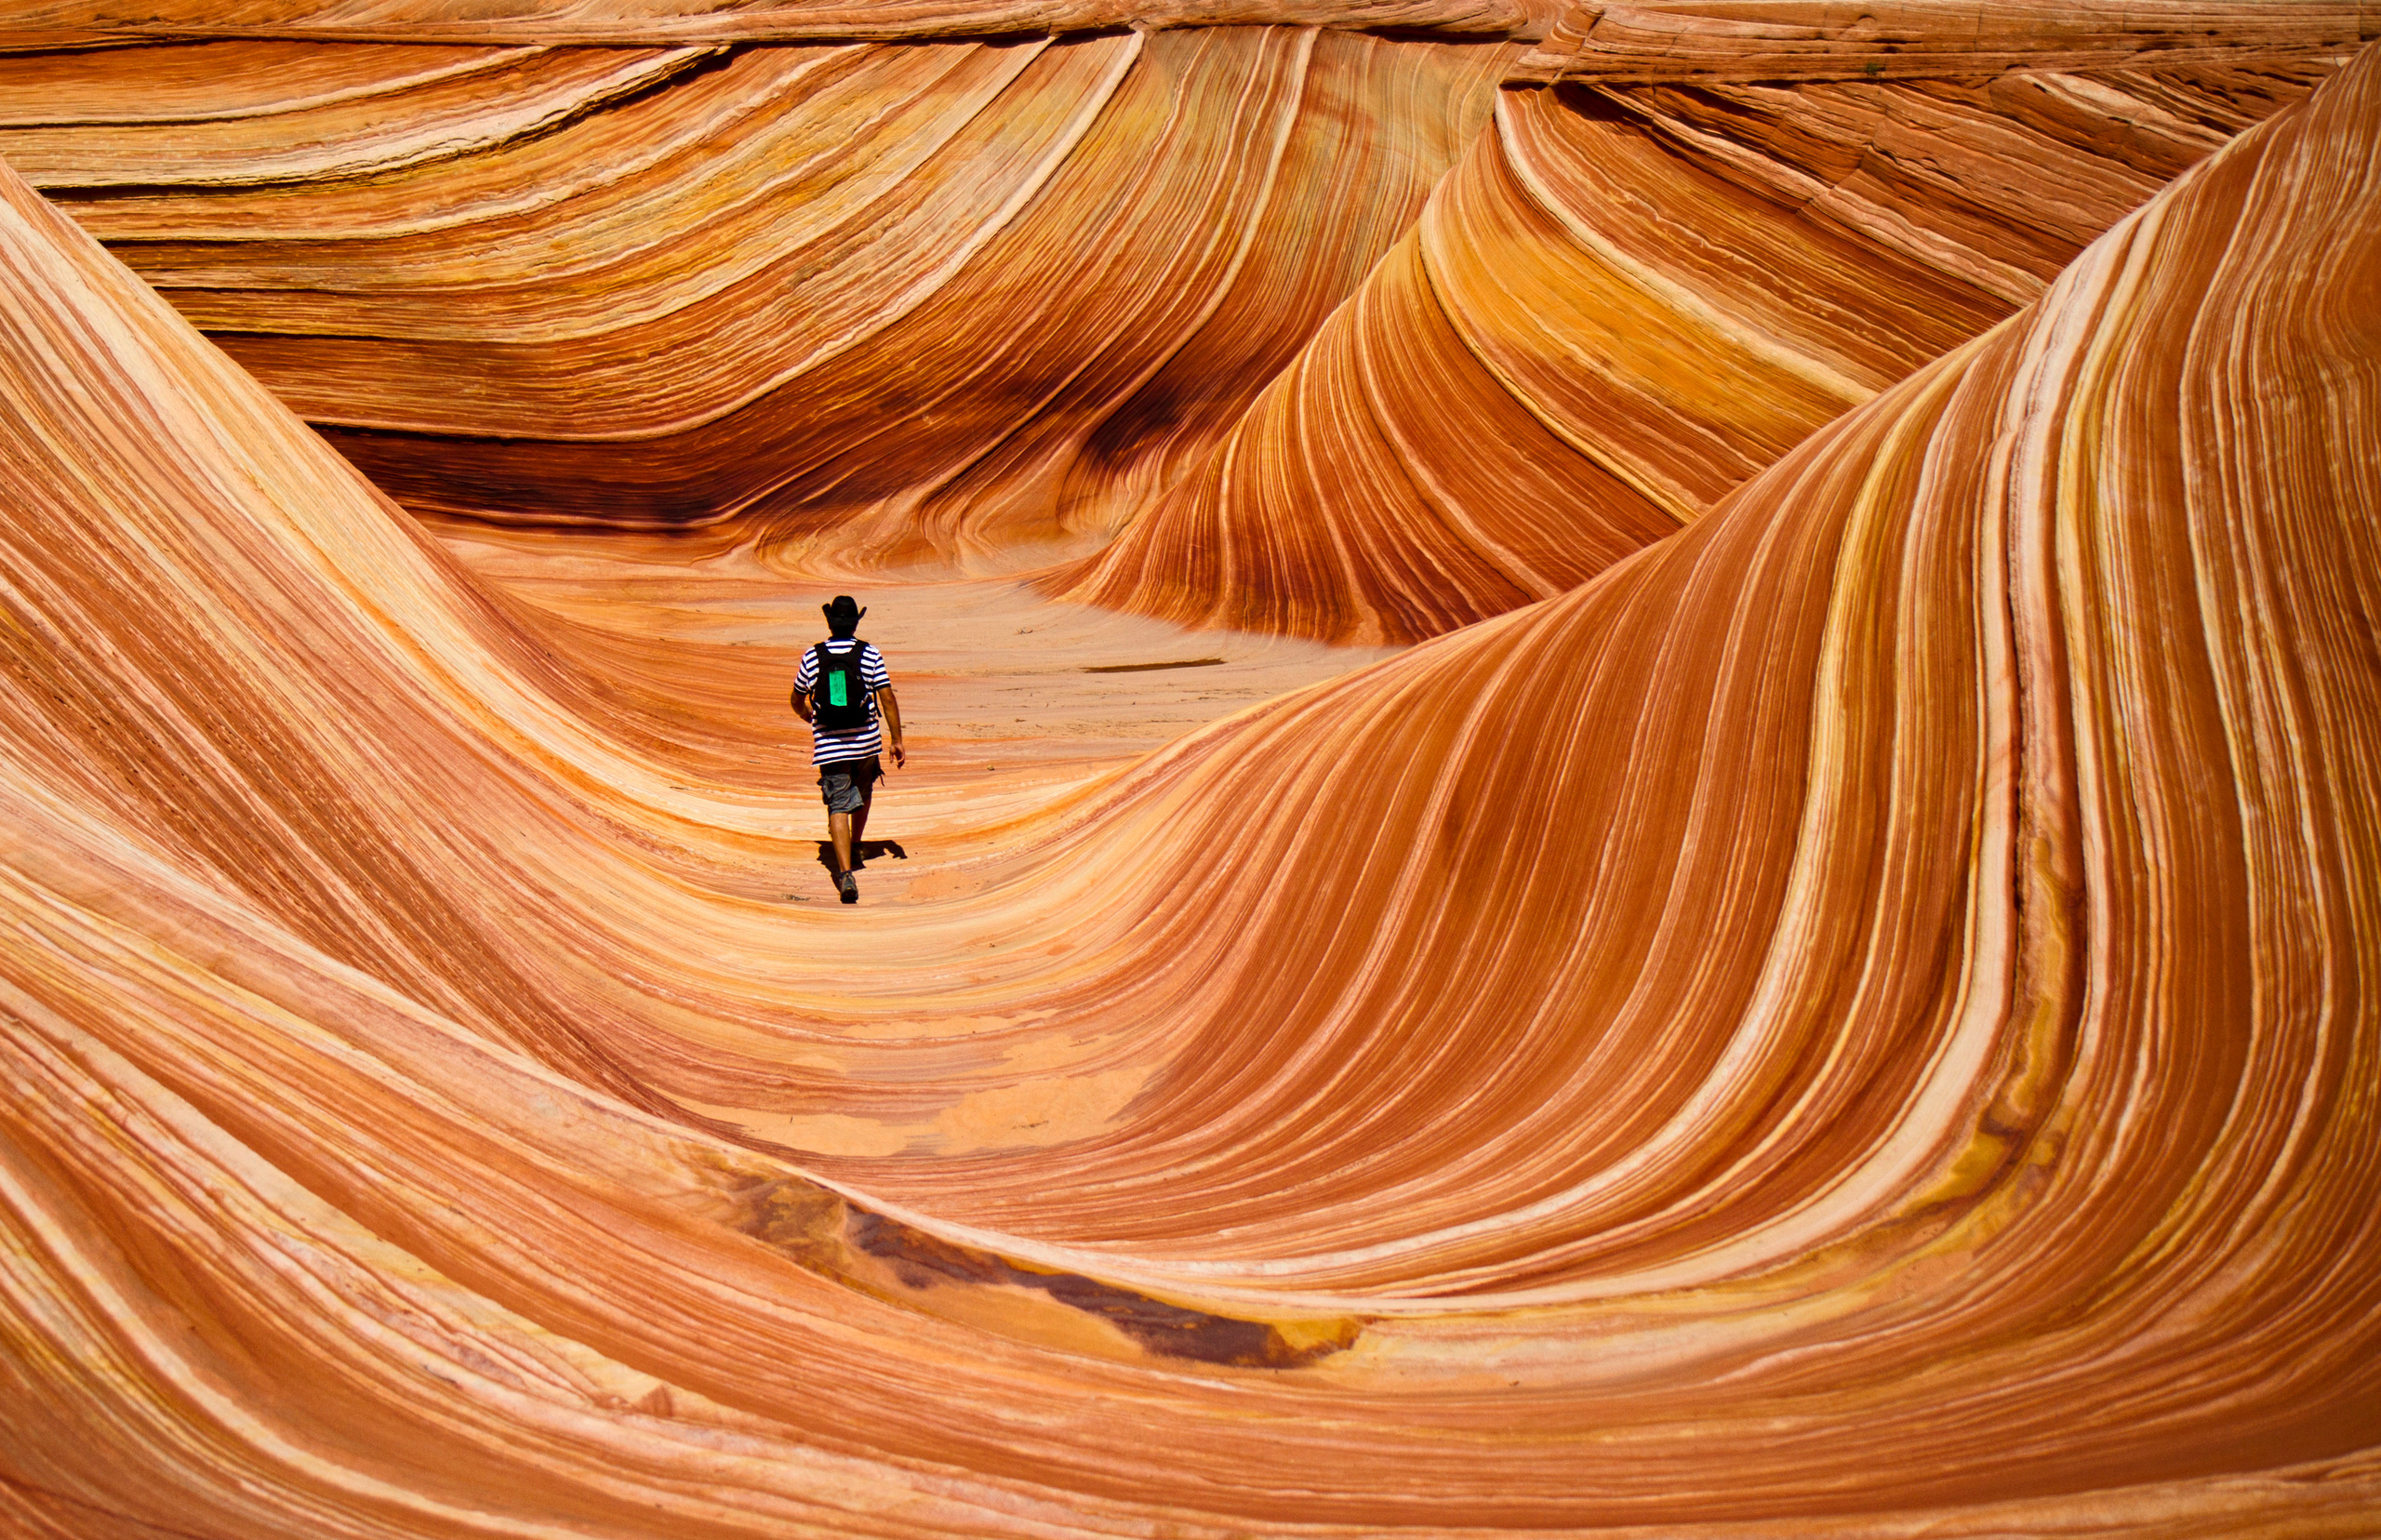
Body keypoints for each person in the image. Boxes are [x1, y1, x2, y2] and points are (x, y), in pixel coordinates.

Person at [790, 595, 904, 903]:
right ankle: (855, 844)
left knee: (838, 803)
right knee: (863, 792)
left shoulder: (812, 657)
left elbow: (797, 697)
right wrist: (896, 739)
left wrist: (809, 717)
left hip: (830, 744)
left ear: (829, 623)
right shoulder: (870, 653)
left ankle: (845, 874)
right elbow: (887, 697)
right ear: (855, 623)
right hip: (866, 741)